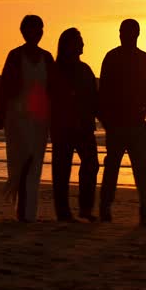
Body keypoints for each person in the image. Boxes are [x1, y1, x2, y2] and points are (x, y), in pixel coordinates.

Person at [98, 19, 146, 226]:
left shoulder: (143, 59)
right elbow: (104, 92)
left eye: (127, 32)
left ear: (136, 34)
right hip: (118, 122)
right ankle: (106, 208)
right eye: (123, 32)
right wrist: (106, 119)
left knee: (137, 168)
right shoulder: (113, 57)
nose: (124, 35)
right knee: (114, 167)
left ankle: (145, 211)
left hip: (134, 121)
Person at [0, 15, 53, 222]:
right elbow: (4, 87)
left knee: (35, 163)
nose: (37, 32)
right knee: (22, 160)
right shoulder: (15, 55)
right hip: (18, 116)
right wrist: (0, 113)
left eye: (40, 28)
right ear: (24, 31)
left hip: (40, 118)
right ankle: (24, 210)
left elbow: (53, 90)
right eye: (32, 28)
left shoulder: (47, 57)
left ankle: (28, 211)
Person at [49, 28, 98, 222]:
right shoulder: (57, 69)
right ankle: (63, 211)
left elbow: (95, 98)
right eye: (79, 41)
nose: (83, 44)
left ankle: (85, 208)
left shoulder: (85, 69)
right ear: (69, 44)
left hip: (85, 126)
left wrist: (102, 118)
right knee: (62, 168)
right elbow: (51, 97)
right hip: (63, 126)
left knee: (91, 163)